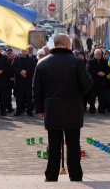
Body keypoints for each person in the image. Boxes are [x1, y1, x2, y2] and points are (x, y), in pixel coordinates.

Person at [33, 33, 93, 182]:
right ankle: (76, 175)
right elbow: (87, 84)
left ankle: (51, 176)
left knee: (53, 145)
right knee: (73, 144)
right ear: (68, 45)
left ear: (55, 44)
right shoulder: (77, 62)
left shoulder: (42, 63)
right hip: (72, 108)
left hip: (52, 108)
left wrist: (39, 108)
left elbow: (36, 89)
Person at [12, 49, 36, 116]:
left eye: (25, 51)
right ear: (20, 51)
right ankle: (18, 111)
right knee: (19, 97)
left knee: (28, 97)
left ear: (27, 52)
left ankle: (29, 111)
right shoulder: (16, 59)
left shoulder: (31, 59)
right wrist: (20, 72)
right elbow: (13, 67)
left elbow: (33, 68)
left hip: (27, 81)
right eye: (22, 51)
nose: (23, 52)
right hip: (19, 81)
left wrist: (26, 72)